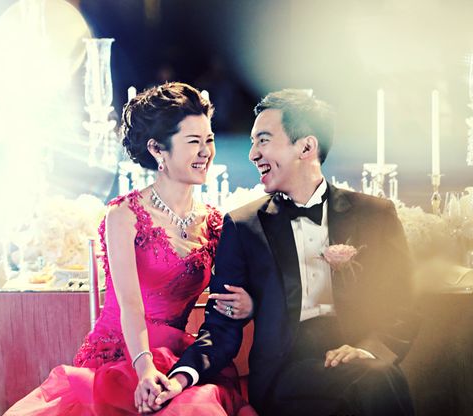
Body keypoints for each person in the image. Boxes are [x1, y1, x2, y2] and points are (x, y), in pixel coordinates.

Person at [150, 89, 419, 415]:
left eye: (263, 140)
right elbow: (220, 328)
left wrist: (368, 350)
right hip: (285, 375)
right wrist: (180, 377)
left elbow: (402, 306)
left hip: (358, 362)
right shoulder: (243, 226)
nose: (252, 154)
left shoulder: (374, 215)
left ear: (306, 147)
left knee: (375, 376)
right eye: (252, 142)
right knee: (377, 382)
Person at [4, 82, 256, 416]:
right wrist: (144, 368)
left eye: (208, 140)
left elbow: (226, 300)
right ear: (158, 150)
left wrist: (249, 304)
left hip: (176, 359)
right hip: (120, 356)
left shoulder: (214, 223)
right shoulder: (124, 216)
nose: (205, 152)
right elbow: (130, 306)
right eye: (193, 141)